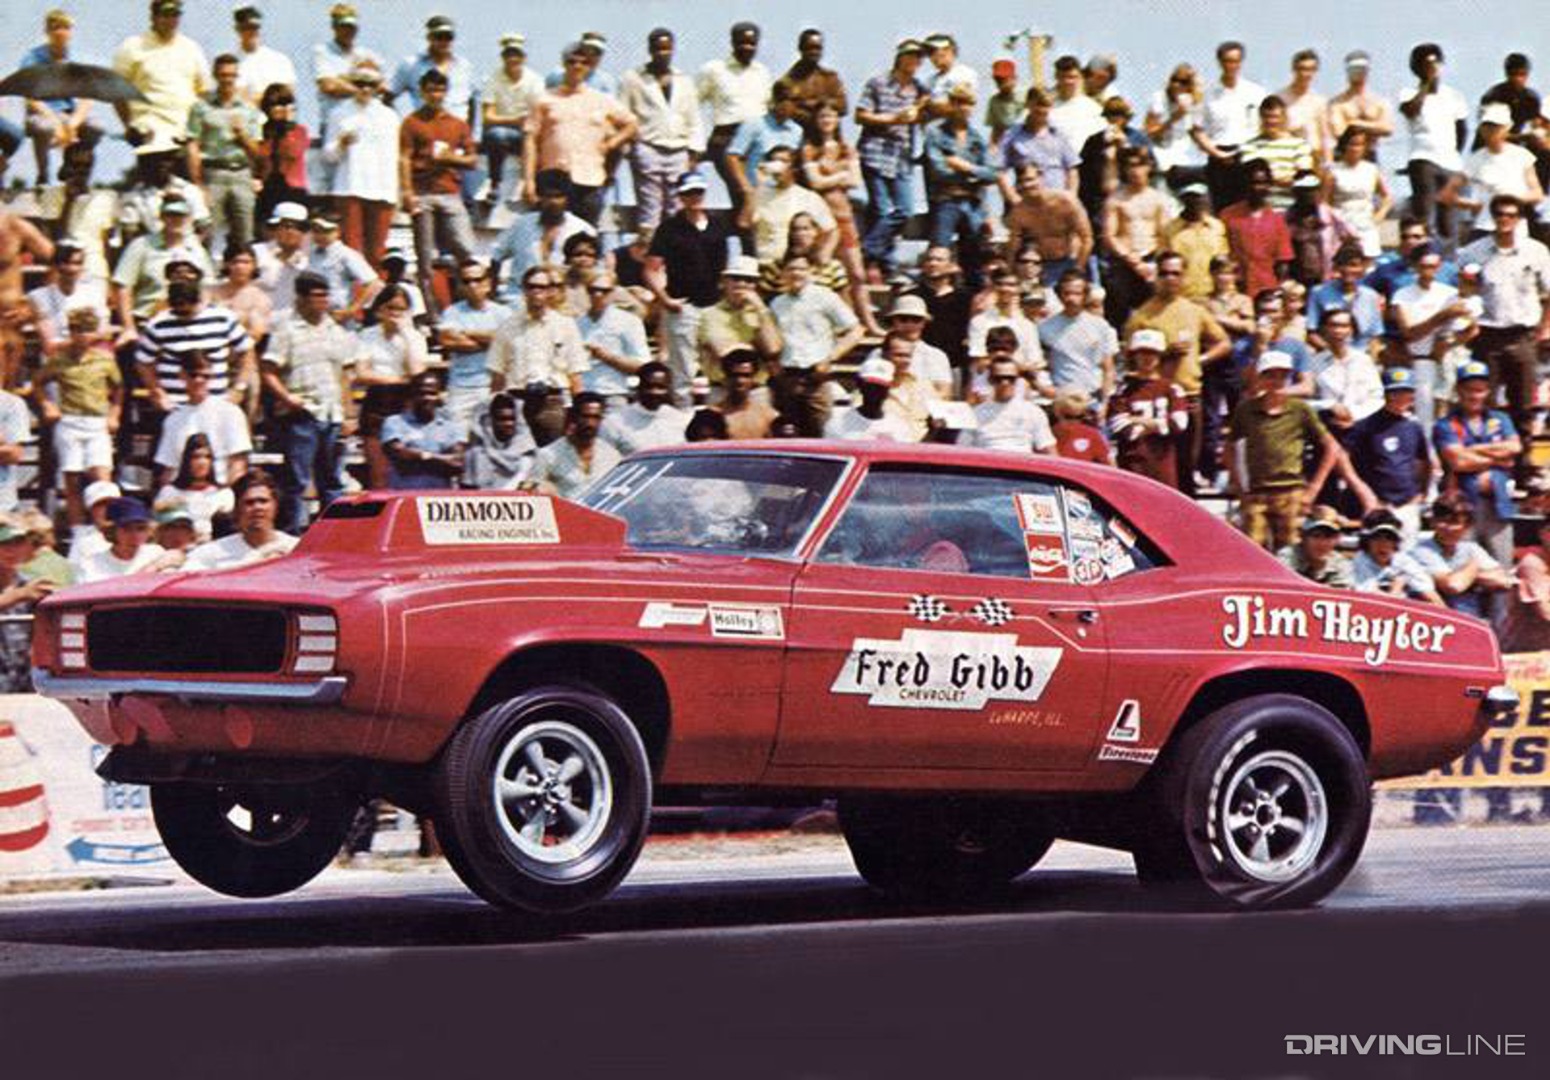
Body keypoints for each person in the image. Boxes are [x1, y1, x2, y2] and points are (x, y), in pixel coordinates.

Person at [1123, 250, 1231, 492]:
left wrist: (1198, 360)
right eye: (1164, 273)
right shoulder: (1142, 316)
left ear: (1183, 277)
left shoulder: (1194, 311)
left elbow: (1223, 343)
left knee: (1186, 464)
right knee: (1158, 464)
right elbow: (1130, 359)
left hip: (1189, 394)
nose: (1170, 279)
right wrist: (1165, 354)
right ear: (1155, 276)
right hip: (1155, 397)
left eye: (1175, 273)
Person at [262, 272, 361, 532]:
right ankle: (292, 533)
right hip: (302, 413)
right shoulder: (286, 331)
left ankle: (334, 533)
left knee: (331, 479)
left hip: (332, 414)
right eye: (316, 296)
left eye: (325, 295)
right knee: (296, 480)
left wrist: (349, 414)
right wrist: (287, 398)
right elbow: (268, 371)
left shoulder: (337, 331)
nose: (322, 301)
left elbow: (346, 375)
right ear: (302, 299)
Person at [1227, 350, 1342, 550]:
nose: (1276, 381)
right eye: (1270, 375)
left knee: (1290, 550)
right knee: (1252, 548)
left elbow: (1331, 447)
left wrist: (1314, 488)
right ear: (1260, 377)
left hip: (1290, 491)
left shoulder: (1300, 409)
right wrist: (1239, 486)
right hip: (1257, 492)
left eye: (1282, 375)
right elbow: (1229, 449)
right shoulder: (1245, 410)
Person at [1458, 195, 1550, 431]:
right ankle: (1489, 456)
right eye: (1499, 214)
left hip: (1523, 335)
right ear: (1492, 217)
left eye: (1510, 214)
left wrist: (1545, 328)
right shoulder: (1472, 252)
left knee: (1525, 401)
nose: (1504, 219)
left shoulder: (1536, 251)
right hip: (1486, 334)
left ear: (1519, 219)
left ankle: (1523, 460)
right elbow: (1464, 293)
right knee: (1483, 399)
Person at [524, 42, 638, 225]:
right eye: (572, 61)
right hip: (553, 182)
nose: (577, 66)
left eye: (583, 62)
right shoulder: (544, 99)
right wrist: (528, 181)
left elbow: (632, 123)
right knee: (548, 235)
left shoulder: (602, 100)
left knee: (585, 239)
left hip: (589, 180)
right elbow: (530, 140)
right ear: (564, 64)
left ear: (589, 66)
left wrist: (611, 143)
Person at [399, 68, 477, 307]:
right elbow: (404, 158)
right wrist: (407, 192)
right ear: (422, 92)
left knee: (466, 250)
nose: (436, 95)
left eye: (440, 89)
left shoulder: (458, 124)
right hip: (422, 193)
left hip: (450, 192)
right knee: (425, 258)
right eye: (431, 90)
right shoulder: (411, 122)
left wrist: (449, 157)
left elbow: (472, 160)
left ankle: (473, 301)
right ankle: (432, 315)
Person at [647, 173, 732, 389]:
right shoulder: (668, 228)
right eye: (689, 193)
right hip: (683, 306)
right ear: (681, 196)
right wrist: (666, 300)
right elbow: (651, 269)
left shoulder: (718, 225)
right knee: (682, 369)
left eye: (698, 192)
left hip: (714, 305)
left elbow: (725, 267)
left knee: (720, 363)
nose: (695, 197)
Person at [1433, 359, 1521, 568]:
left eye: (1480, 390)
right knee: (1462, 566)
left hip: (1498, 503)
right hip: (1463, 508)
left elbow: (1515, 448)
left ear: (1488, 391)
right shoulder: (1446, 424)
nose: (1474, 395)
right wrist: (1499, 459)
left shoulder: (1500, 419)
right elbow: (1458, 461)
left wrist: (1471, 450)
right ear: (1459, 390)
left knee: (1502, 568)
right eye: (1469, 390)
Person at [34, 307, 118, 525]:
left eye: (88, 330)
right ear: (70, 332)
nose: (82, 336)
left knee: (102, 479)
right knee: (72, 479)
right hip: (70, 421)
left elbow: (119, 389)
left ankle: (106, 529)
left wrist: (114, 414)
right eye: (77, 330)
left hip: (96, 421)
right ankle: (77, 531)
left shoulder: (105, 360)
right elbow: (38, 382)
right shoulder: (59, 360)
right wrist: (47, 405)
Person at [802, 103, 878, 333]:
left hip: (843, 214)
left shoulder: (847, 148)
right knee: (825, 270)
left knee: (856, 272)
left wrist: (831, 176)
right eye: (822, 115)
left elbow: (855, 180)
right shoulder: (809, 148)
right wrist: (841, 175)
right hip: (820, 217)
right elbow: (814, 182)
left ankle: (868, 321)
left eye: (831, 115)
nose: (826, 119)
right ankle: (840, 324)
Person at [856, 40, 929, 279]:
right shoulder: (878, 82)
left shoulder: (919, 89)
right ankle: (882, 263)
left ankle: (868, 251)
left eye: (919, 58)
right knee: (882, 210)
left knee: (905, 211)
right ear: (900, 57)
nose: (915, 61)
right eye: (911, 56)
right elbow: (861, 115)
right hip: (876, 152)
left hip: (902, 156)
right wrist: (894, 119)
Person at [620, 29, 703, 235]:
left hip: (678, 148)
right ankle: (650, 253)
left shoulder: (684, 80)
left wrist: (694, 152)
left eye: (666, 49)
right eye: (658, 49)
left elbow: (693, 118)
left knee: (676, 206)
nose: (662, 53)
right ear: (650, 50)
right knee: (650, 207)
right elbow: (623, 114)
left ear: (673, 49)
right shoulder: (633, 78)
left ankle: (675, 254)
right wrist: (630, 148)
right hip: (648, 146)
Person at [135, 277, 254, 412]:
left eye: (186, 311)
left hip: (217, 403)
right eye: (177, 311)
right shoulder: (158, 324)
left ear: (198, 301)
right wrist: (157, 392)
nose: (182, 316)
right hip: (174, 405)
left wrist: (239, 388)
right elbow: (143, 362)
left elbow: (247, 352)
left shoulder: (223, 318)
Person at [1393, 241, 1474, 434]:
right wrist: (1441, 316)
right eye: (1424, 266)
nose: (1429, 271)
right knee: (1425, 418)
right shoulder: (1403, 295)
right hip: (1421, 360)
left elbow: (1470, 329)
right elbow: (1409, 333)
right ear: (1415, 267)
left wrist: (1448, 345)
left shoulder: (1450, 293)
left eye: (1433, 266)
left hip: (1450, 358)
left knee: (1453, 414)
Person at [325, 62, 400, 270]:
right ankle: (353, 297)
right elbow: (329, 155)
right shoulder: (339, 113)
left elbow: (395, 157)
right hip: (350, 187)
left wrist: (397, 193)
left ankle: (375, 299)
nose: (365, 89)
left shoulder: (390, 117)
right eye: (360, 84)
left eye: (371, 84)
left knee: (377, 252)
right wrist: (341, 143)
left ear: (378, 87)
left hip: (382, 189)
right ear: (352, 84)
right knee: (351, 251)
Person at [698, 22, 772, 233]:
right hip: (726, 138)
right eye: (742, 43)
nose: (747, 47)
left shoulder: (762, 72)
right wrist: (697, 142)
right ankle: (746, 249)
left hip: (755, 140)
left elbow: (767, 108)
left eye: (752, 43)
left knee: (760, 195)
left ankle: (753, 251)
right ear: (732, 43)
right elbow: (694, 104)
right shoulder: (715, 70)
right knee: (742, 192)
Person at [188, 54, 263, 253]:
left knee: (245, 233)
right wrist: (198, 183)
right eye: (223, 75)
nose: (227, 79)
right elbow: (193, 145)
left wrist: (242, 135)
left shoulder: (248, 109)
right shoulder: (201, 107)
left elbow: (258, 151)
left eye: (232, 75)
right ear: (215, 76)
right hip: (214, 173)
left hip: (241, 174)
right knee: (207, 231)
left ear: (237, 76)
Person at [110, 198, 213, 345]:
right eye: (170, 215)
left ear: (189, 218)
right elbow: (123, 287)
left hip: (188, 321)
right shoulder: (141, 245)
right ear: (162, 217)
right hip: (147, 321)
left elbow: (208, 286)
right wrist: (128, 327)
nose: (176, 220)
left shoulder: (197, 249)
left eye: (181, 215)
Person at [922, 85, 998, 281]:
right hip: (945, 200)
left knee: (974, 259)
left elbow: (992, 174)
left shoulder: (977, 137)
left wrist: (965, 167)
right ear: (951, 104)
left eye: (969, 103)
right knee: (939, 254)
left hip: (973, 203)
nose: (964, 108)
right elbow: (938, 170)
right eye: (959, 103)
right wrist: (974, 176)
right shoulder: (935, 132)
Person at [111, 0, 208, 151]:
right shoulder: (133, 47)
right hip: (150, 135)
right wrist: (130, 126)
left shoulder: (191, 48)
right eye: (165, 15)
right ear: (153, 17)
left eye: (175, 15)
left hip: (185, 136)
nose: (170, 21)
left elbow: (204, 92)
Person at [1347, 367, 1432, 537]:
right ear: (1385, 394)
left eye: (1406, 392)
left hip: (1407, 505)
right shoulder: (1366, 427)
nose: (1401, 398)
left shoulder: (1413, 427)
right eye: (1395, 392)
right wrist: (1369, 499)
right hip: (1377, 505)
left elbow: (1423, 463)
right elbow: (1351, 465)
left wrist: (1420, 495)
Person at [1399, 43, 1469, 248]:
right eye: (1426, 64)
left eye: (1435, 63)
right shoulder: (1408, 92)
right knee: (1425, 213)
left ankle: (1447, 258)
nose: (1432, 68)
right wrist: (1426, 84)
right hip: (1423, 159)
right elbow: (1410, 110)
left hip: (1450, 162)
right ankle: (1420, 253)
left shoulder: (1454, 95)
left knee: (1448, 219)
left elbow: (1462, 129)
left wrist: (1453, 154)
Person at [489, 170, 596, 300]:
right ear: (539, 197)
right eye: (547, 196)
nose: (553, 202)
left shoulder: (582, 229)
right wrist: (491, 291)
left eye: (558, 196)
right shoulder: (521, 224)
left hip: (563, 299)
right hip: (519, 296)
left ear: (567, 198)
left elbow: (592, 271)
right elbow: (496, 255)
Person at [20, 10, 95, 187]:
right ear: (47, 32)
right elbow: (29, 96)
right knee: (44, 127)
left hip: (68, 113)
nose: (60, 32)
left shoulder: (75, 60)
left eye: (65, 27)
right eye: (55, 28)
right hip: (41, 112)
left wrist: (72, 123)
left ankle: (75, 171)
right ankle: (43, 175)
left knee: (95, 127)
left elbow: (87, 97)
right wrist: (55, 121)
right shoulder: (33, 58)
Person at [1107, 329, 1189, 488]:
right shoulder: (1123, 390)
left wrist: (1139, 421)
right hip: (1132, 463)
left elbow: (1179, 423)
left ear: (1160, 356)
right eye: (1142, 352)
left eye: (1152, 353)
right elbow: (1119, 425)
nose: (1147, 358)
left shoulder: (1172, 388)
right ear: (1134, 356)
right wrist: (1159, 425)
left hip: (1163, 464)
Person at [1412, 492, 1511, 622]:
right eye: (1443, 521)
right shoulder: (1421, 550)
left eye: (1455, 522)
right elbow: (1453, 586)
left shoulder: (1470, 548)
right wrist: (1475, 567)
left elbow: (1504, 582)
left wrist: (1469, 577)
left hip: (1470, 619)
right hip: (1433, 622)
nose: (1449, 528)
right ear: (1433, 522)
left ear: (1466, 526)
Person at [489, 267, 587, 396]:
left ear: (550, 291)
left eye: (542, 287)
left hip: (554, 396)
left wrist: (578, 405)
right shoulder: (507, 326)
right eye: (531, 286)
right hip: (518, 396)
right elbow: (498, 374)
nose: (536, 291)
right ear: (524, 290)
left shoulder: (566, 325)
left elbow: (575, 373)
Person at [437, 263, 512, 430]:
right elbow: (447, 341)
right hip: (461, 386)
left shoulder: (503, 313)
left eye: (477, 280)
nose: (472, 285)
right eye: (466, 281)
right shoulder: (451, 312)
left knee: (493, 438)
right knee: (457, 437)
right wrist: (490, 341)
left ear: (488, 283)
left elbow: (506, 341)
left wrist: (465, 332)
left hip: (494, 385)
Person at [1454, 103, 1543, 241]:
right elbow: (1447, 194)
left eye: (1496, 127)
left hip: (1515, 229)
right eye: (1487, 126)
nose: (1491, 131)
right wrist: (1472, 205)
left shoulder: (1522, 156)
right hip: (1483, 227)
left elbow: (1537, 194)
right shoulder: (1475, 160)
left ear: (1506, 128)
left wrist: (1510, 199)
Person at [1194, 41, 1266, 209]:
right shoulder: (1207, 94)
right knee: (1222, 208)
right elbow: (1197, 130)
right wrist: (1217, 153)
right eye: (1227, 61)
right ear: (1219, 62)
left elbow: (1265, 124)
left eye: (1235, 61)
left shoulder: (1255, 92)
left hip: (1249, 154)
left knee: (1249, 207)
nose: (1231, 66)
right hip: (1219, 155)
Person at [771, 254, 863, 385]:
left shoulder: (825, 297)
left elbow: (856, 330)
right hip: (786, 374)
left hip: (817, 373)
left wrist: (831, 358)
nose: (796, 273)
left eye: (801, 269)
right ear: (783, 273)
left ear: (811, 272)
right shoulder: (777, 303)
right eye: (791, 269)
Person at [1100, 148, 1168, 325]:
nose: (1135, 171)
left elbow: (1164, 234)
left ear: (1148, 167)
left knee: (1152, 313)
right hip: (1122, 261)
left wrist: (1150, 261)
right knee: (1118, 314)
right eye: (1130, 166)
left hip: (1150, 260)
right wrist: (1131, 259)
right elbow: (1109, 235)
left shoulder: (1158, 198)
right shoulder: (1115, 199)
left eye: (1140, 165)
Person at [183, 470, 296, 570]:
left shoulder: (295, 549)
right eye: (249, 503)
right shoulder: (211, 554)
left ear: (275, 506)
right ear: (237, 509)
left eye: (263, 501)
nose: (257, 507)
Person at [697, 256, 783, 387]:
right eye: (736, 279)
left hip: (756, 387)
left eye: (749, 280)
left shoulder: (762, 314)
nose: (742, 284)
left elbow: (772, 350)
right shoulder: (709, 314)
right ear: (724, 282)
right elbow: (726, 354)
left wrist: (760, 308)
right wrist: (756, 349)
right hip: (722, 386)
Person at [479, 35, 543, 206]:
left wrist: (524, 124)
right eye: (508, 55)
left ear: (524, 58)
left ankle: (532, 185)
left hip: (527, 131)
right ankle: (494, 183)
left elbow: (538, 113)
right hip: (502, 130)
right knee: (496, 135)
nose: (513, 59)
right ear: (503, 57)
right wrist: (514, 120)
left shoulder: (535, 80)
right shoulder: (492, 79)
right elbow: (487, 117)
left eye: (517, 55)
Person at [1004, 166, 1093, 285]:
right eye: (1021, 182)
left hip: (1073, 259)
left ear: (1041, 178)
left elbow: (1087, 238)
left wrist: (1078, 269)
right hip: (1043, 266)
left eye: (1030, 179)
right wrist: (1010, 271)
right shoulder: (1019, 212)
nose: (1026, 185)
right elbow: (1013, 246)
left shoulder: (1066, 201)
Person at [312, 4, 383, 148]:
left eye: (351, 27)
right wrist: (362, 86)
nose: (348, 31)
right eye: (343, 26)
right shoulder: (322, 52)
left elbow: (381, 86)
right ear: (334, 27)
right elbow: (329, 86)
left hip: (363, 121)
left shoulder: (366, 55)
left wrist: (343, 79)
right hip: (333, 123)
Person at [379, 371, 465, 490]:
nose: (426, 398)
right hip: (404, 496)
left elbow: (457, 462)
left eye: (432, 393)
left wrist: (415, 456)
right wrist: (438, 458)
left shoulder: (451, 426)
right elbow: (399, 454)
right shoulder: (394, 422)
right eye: (421, 393)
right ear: (412, 395)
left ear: (439, 396)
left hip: (438, 500)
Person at [576, 271, 649, 410]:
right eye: (593, 290)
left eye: (604, 291)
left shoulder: (629, 322)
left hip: (614, 392)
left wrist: (607, 357)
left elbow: (641, 366)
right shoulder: (577, 324)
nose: (598, 295)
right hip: (583, 394)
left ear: (614, 292)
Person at [1220, 158, 1292, 298]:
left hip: (1267, 290)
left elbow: (1283, 261)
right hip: (1234, 290)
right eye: (1253, 183)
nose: (1257, 188)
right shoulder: (1228, 216)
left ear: (1269, 185)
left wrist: (1278, 290)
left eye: (1262, 183)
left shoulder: (1277, 219)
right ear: (1244, 184)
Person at [1079, 97, 1154, 232]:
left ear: (1127, 117)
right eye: (1110, 115)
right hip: (1100, 199)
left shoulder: (1139, 138)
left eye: (1119, 115)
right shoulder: (1094, 140)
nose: (1114, 119)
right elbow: (1084, 172)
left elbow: (1151, 166)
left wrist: (1125, 146)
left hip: (1131, 196)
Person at [1039, 271, 1117, 401]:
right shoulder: (1044, 328)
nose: (1071, 298)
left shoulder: (1100, 326)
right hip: (1062, 397)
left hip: (1093, 395)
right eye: (1067, 293)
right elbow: (1043, 366)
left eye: (1077, 294)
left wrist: (1104, 402)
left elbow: (1108, 369)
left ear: (1085, 295)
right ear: (1059, 295)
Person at [752, 145, 836, 265]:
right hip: (764, 263)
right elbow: (745, 223)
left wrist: (822, 255)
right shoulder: (759, 194)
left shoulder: (808, 197)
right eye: (773, 160)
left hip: (794, 267)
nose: (777, 165)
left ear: (794, 168)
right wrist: (757, 184)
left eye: (783, 161)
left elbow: (831, 230)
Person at [528, 393, 620, 499]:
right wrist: (544, 489)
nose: (590, 423)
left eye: (596, 417)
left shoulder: (611, 455)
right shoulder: (548, 454)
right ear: (573, 417)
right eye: (585, 416)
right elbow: (528, 490)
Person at [27, 241, 110, 359]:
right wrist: (86, 339)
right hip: (56, 362)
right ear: (55, 265)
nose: (72, 269)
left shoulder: (94, 293)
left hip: (91, 359)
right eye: (66, 263)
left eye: (77, 263)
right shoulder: (39, 297)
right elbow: (50, 347)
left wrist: (75, 341)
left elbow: (104, 332)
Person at [390, 15, 476, 124]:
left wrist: (472, 134)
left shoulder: (465, 66)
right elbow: (389, 95)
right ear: (429, 37)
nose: (444, 41)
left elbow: (474, 103)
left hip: (457, 130)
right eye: (439, 37)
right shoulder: (411, 64)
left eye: (448, 37)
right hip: (425, 129)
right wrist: (399, 124)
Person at [1239, 96, 1315, 211]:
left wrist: (1266, 180)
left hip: (1291, 209)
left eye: (1275, 117)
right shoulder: (1249, 146)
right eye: (1266, 117)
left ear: (1284, 118)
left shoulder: (1299, 145)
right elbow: (1250, 178)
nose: (1270, 121)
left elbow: (1303, 177)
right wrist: (1286, 177)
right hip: (1260, 210)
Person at [1324, 129, 1391, 258]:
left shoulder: (1371, 169)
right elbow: (1324, 202)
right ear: (1344, 146)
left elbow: (1387, 197)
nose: (1356, 149)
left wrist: (1379, 216)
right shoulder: (1333, 171)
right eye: (1352, 144)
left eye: (1360, 144)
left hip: (1366, 224)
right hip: (1342, 226)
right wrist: (1337, 222)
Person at [154, 433, 232, 542]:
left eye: (207, 457)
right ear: (187, 460)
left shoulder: (223, 494)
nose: (202, 462)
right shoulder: (169, 492)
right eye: (196, 457)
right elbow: (159, 530)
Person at [969, 356, 1056, 453]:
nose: (1005, 383)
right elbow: (964, 449)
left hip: (1021, 464)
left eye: (1010, 378)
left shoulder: (1033, 412)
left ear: (1018, 379)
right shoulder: (975, 413)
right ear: (990, 380)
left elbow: (1048, 449)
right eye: (998, 378)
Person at [1000, 88, 1080, 195]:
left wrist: (1071, 197)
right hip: (1027, 201)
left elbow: (1072, 170)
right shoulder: (1012, 135)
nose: (1042, 110)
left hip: (1056, 201)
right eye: (1039, 104)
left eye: (1047, 105)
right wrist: (1013, 199)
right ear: (1028, 104)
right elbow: (999, 171)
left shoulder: (1059, 135)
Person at [599, 362, 690, 455]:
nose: (654, 392)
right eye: (649, 386)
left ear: (669, 389)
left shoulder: (682, 421)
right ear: (638, 387)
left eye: (661, 387)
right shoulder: (614, 423)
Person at [1352, 507, 1440, 602]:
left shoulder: (1404, 561)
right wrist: (1396, 591)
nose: (1383, 544)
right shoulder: (1360, 560)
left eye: (1389, 538)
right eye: (1376, 538)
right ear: (1367, 541)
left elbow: (1431, 596)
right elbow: (1370, 596)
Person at [253, 83, 311, 228]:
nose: (281, 109)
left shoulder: (299, 131)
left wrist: (287, 127)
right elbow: (259, 157)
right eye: (277, 105)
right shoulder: (261, 132)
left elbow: (293, 152)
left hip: (292, 187)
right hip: (267, 187)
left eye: (286, 104)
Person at [1307, 244, 1385, 350]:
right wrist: (1333, 353)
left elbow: (1375, 334)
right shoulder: (1319, 292)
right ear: (1336, 267)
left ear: (1363, 268)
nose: (1347, 270)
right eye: (1343, 265)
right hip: (1329, 353)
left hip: (1362, 354)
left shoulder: (1371, 296)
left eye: (1353, 265)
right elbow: (1311, 333)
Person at [1146, 64, 1207, 191]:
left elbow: (1198, 133)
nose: (1177, 85)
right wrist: (1174, 118)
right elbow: (1150, 133)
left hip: (1189, 157)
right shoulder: (1159, 99)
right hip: (1164, 155)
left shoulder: (1196, 101)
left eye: (1183, 82)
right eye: (1174, 80)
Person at [824, 356, 913, 441]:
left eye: (881, 387)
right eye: (870, 386)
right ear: (859, 385)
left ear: (889, 389)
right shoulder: (838, 421)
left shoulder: (899, 428)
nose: (874, 391)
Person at [1327, 50, 1394, 162]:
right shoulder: (1337, 103)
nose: (1358, 73)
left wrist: (1356, 124)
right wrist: (1373, 127)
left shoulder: (1379, 102)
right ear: (1348, 71)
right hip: (1344, 156)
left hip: (1370, 155)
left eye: (1361, 69)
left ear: (1367, 71)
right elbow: (1338, 131)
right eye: (1354, 70)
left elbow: (1387, 128)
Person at [75, 497, 164, 583]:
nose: (135, 535)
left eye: (141, 528)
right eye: (126, 529)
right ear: (111, 531)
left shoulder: (156, 554)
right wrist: (149, 569)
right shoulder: (91, 564)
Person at [463, 393, 535, 490]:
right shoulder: (474, 454)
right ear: (490, 421)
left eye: (512, 419)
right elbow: (467, 491)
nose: (509, 424)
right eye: (502, 419)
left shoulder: (527, 452)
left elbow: (529, 487)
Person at [783, 28, 848, 129]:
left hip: (827, 138)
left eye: (818, 48)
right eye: (809, 48)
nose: (814, 52)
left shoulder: (831, 78)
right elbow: (787, 111)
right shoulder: (788, 81)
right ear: (800, 48)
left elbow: (843, 107)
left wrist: (818, 103)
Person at [1275, 506, 1353, 587]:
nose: (1322, 543)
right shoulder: (1287, 557)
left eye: (1328, 537)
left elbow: (1341, 593)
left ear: (1337, 539)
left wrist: (1320, 569)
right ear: (1303, 536)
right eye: (1316, 536)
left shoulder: (1340, 563)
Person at [1277, 49, 1331, 162]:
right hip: (1288, 157)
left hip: (1313, 159)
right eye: (1302, 69)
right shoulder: (1280, 98)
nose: (1305, 74)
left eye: (1310, 69)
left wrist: (1329, 165)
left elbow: (1325, 137)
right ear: (1294, 69)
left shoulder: (1319, 101)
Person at [716, 350, 779, 439]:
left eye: (746, 375)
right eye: (734, 375)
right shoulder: (714, 416)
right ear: (726, 377)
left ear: (754, 378)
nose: (739, 381)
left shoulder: (769, 416)